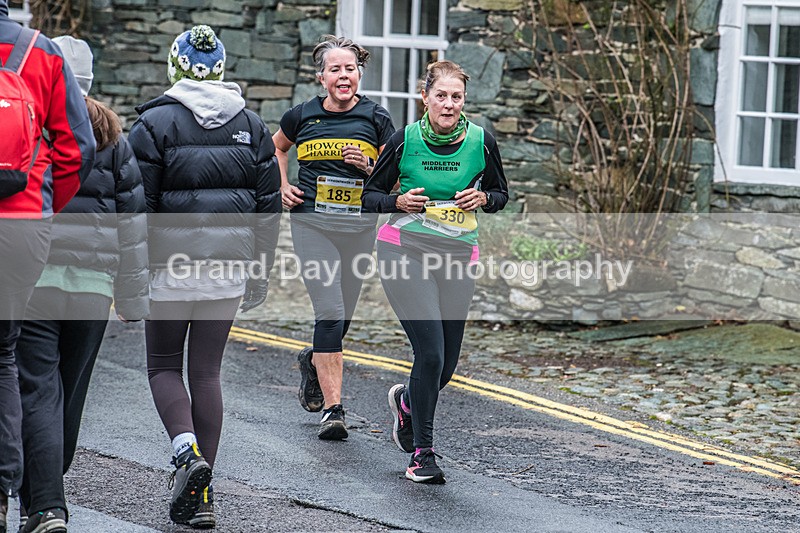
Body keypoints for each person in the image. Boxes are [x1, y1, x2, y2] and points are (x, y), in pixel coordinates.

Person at [129, 25, 281, 528]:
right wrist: (260, 269)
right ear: (221, 70)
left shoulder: (152, 125)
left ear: (175, 68)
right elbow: (268, 208)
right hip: (229, 267)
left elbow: (137, 208)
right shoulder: (254, 125)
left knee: (163, 368)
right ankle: (204, 494)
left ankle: (183, 453)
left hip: (168, 268)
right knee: (207, 374)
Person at [13, 36, 149, 533]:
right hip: (93, 287)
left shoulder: (31, 124)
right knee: (68, 393)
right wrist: (133, 295)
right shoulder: (114, 137)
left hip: (35, 278)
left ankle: (46, 502)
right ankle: (46, 490)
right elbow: (132, 222)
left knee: (36, 391)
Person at [363, 60, 509, 484]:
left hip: (458, 255)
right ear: (424, 97)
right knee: (428, 353)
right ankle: (422, 454)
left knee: (445, 366)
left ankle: (408, 401)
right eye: (440, 96)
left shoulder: (481, 142)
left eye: (456, 97)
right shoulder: (404, 140)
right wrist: (398, 202)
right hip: (403, 250)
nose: (448, 104)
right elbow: (370, 195)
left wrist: (482, 198)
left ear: (464, 100)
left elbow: (502, 194)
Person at [0, 4, 95, 532]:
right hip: (20, 228)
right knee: (5, 357)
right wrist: (40, 206)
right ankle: (19, 499)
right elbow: (77, 149)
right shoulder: (41, 50)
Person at [272, 35, 394, 440]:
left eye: (350, 68)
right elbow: (276, 149)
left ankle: (314, 360)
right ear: (321, 76)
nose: (344, 75)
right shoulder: (300, 115)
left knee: (342, 316)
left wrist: (370, 164)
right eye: (335, 69)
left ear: (359, 73)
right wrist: (282, 185)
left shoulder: (377, 118)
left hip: (358, 228)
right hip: (312, 224)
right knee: (329, 310)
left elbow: (392, 175)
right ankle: (333, 409)